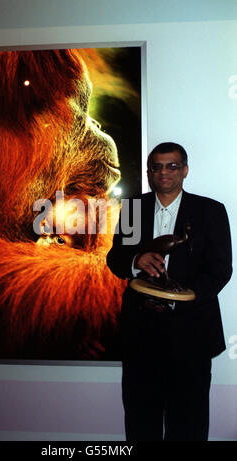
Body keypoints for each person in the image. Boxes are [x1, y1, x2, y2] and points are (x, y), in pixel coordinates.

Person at [107, 142, 232, 441]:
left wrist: (183, 297)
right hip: (140, 336)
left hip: (192, 335)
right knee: (140, 423)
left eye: (172, 166)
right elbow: (115, 258)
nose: (164, 172)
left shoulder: (209, 211)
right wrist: (136, 261)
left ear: (185, 170)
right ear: (149, 172)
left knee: (188, 426)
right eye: (157, 166)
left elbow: (220, 270)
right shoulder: (135, 208)